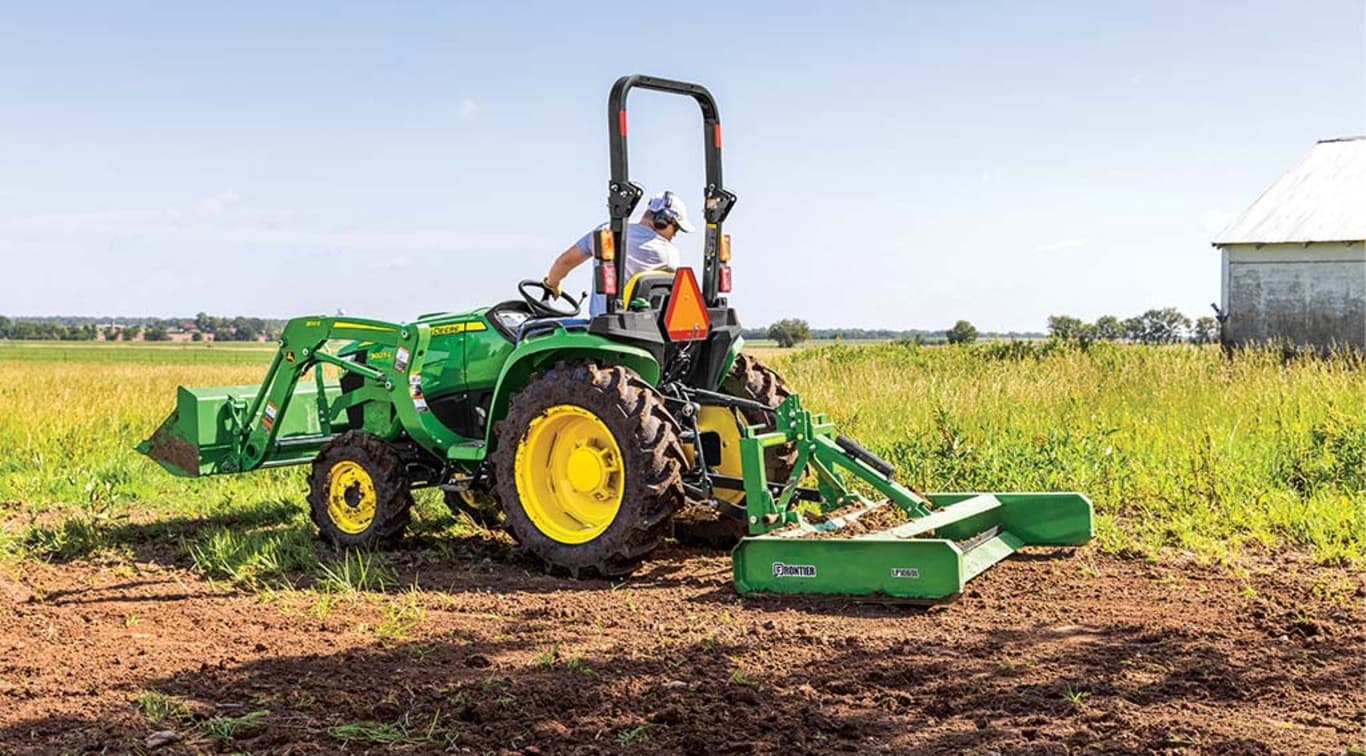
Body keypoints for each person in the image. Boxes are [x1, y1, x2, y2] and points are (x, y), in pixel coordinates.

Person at [541, 191, 694, 316]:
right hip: (647, 328)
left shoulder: (606, 233)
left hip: (604, 327)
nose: (675, 235)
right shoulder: (671, 255)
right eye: (676, 228)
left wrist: (552, 284)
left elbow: (564, 262)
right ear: (663, 220)